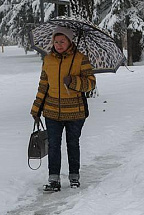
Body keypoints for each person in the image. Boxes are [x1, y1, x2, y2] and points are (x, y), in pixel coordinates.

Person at [30, 26, 96, 192]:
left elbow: (91, 83)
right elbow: (43, 86)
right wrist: (36, 108)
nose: (59, 44)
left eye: (62, 41)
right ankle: (54, 179)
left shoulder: (80, 59)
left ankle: (74, 176)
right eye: (56, 41)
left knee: (72, 144)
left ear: (69, 42)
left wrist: (73, 81)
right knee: (53, 145)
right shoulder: (48, 60)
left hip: (75, 112)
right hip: (51, 111)